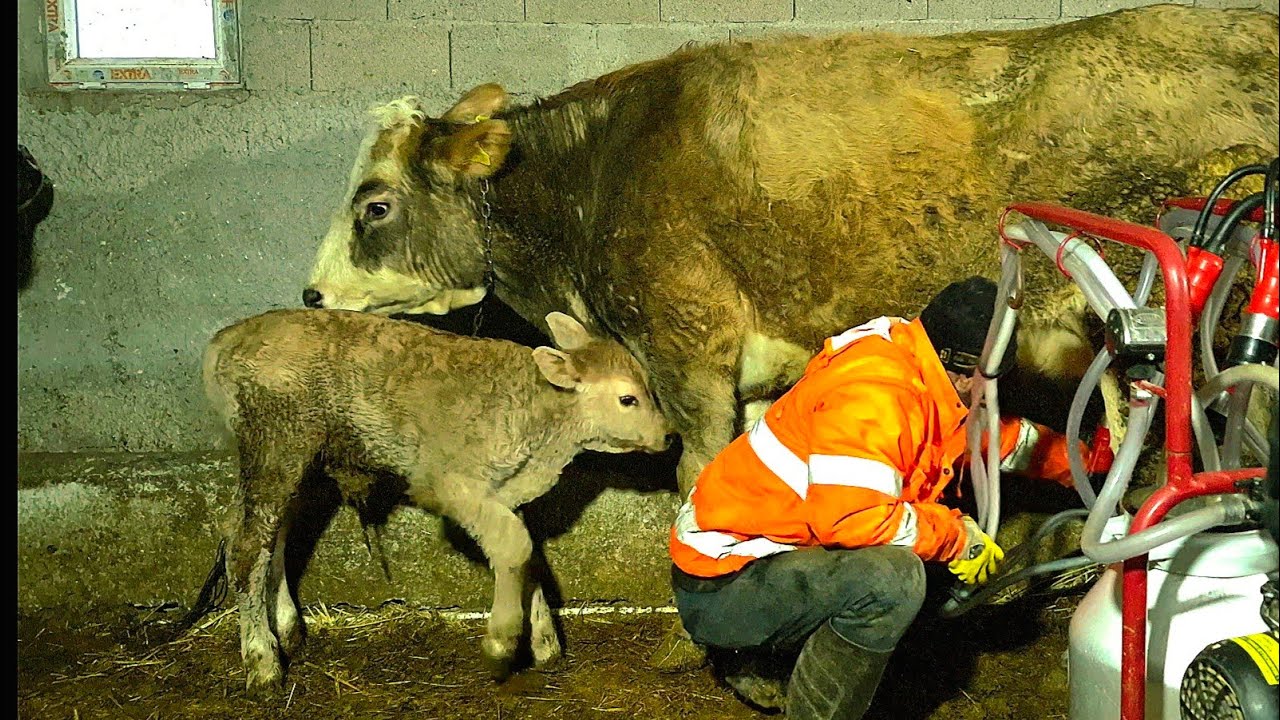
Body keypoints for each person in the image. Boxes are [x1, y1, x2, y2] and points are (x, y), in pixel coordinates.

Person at [668, 276, 1094, 719]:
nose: (997, 393)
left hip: (771, 556)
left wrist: (1088, 461)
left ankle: (794, 657)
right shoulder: (876, 395)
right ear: (968, 369)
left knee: (917, 571)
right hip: (724, 585)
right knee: (894, 580)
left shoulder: (918, 364)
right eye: (995, 379)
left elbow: (990, 439)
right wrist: (954, 538)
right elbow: (853, 518)